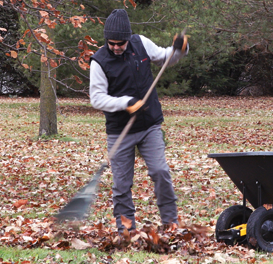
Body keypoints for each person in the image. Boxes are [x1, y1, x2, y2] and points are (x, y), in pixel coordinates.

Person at [89, 9, 188, 233]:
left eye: (120, 43)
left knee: (160, 171)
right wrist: (125, 103)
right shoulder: (99, 61)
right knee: (122, 185)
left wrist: (180, 49)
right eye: (112, 43)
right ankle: (126, 230)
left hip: (149, 124)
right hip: (119, 131)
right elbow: (96, 98)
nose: (116, 47)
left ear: (128, 38)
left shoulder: (140, 43)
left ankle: (171, 222)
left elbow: (166, 58)